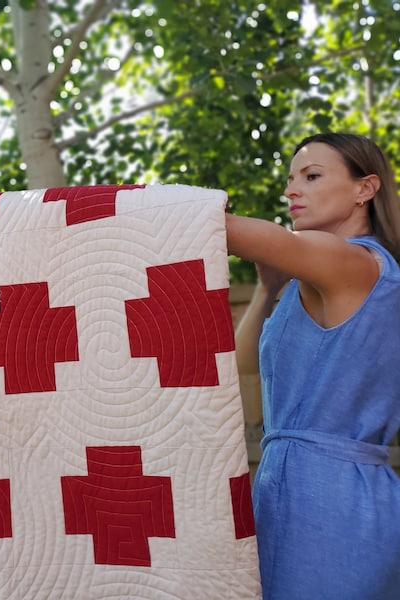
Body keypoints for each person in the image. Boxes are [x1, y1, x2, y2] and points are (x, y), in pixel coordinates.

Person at [226, 132, 400, 599]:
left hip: (335, 501)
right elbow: (243, 367)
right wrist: (266, 290)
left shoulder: (357, 262)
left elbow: (241, 234)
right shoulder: (314, 279)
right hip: (292, 492)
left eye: (312, 176)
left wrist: (168, 208)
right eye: (290, 179)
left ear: (365, 189)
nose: (291, 190)